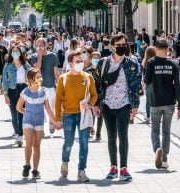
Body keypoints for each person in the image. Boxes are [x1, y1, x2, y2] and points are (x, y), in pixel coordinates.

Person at [93, 34, 141, 181]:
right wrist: (96, 104)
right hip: (107, 105)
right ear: (112, 46)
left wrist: (135, 105)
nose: (121, 47)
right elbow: (96, 83)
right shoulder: (103, 63)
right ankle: (113, 167)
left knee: (123, 135)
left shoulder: (132, 63)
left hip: (124, 105)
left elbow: (136, 85)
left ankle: (124, 168)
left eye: (123, 44)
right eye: (118, 45)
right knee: (112, 137)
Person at [54, 50, 98, 182]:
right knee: (69, 142)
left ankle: (81, 170)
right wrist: (57, 119)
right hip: (68, 115)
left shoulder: (88, 77)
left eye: (81, 61)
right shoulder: (63, 78)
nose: (80, 63)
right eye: (77, 61)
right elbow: (57, 100)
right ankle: (65, 162)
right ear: (70, 63)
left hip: (84, 115)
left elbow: (95, 94)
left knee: (84, 143)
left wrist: (90, 103)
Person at [144, 40, 180, 170]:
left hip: (155, 101)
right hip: (170, 102)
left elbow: (146, 80)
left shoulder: (151, 62)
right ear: (167, 49)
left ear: (156, 48)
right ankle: (164, 159)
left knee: (155, 130)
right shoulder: (173, 64)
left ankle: (157, 148)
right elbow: (177, 85)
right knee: (166, 131)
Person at [16, 68, 55, 179]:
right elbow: (18, 107)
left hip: (39, 122)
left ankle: (35, 170)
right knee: (28, 143)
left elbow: (48, 109)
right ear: (30, 79)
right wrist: (26, 113)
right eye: (37, 77)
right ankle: (27, 165)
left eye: (40, 76)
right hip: (28, 121)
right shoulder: (26, 92)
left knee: (37, 146)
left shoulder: (43, 91)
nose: (40, 78)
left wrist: (55, 121)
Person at [3, 46, 32, 146]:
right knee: (14, 115)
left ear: (20, 53)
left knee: (21, 113)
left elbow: (32, 78)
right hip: (12, 91)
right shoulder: (7, 66)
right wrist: (5, 94)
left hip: (23, 90)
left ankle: (20, 136)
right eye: (13, 51)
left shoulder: (26, 66)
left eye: (17, 51)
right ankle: (17, 133)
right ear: (11, 53)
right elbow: (4, 81)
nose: (15, 53)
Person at [30, 38, 60, 133]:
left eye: (41, 45)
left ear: (46, 46)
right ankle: (41, 128)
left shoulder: (53, 56)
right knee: (40, 109)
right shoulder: (34, 56)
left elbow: (55, 72)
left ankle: (51, 123)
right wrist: (39, 56)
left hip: (51, 86)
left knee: (51, 107)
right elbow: (37, 69)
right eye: (38, 46)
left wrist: (59, 84)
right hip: (39, 87)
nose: (39, 48)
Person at [142, 46, 156, 123]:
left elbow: (144, 74)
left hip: (149, 83)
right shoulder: (156, 61)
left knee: (148, 100)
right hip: (157, 82)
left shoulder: (146, 62)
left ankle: (148, 116)